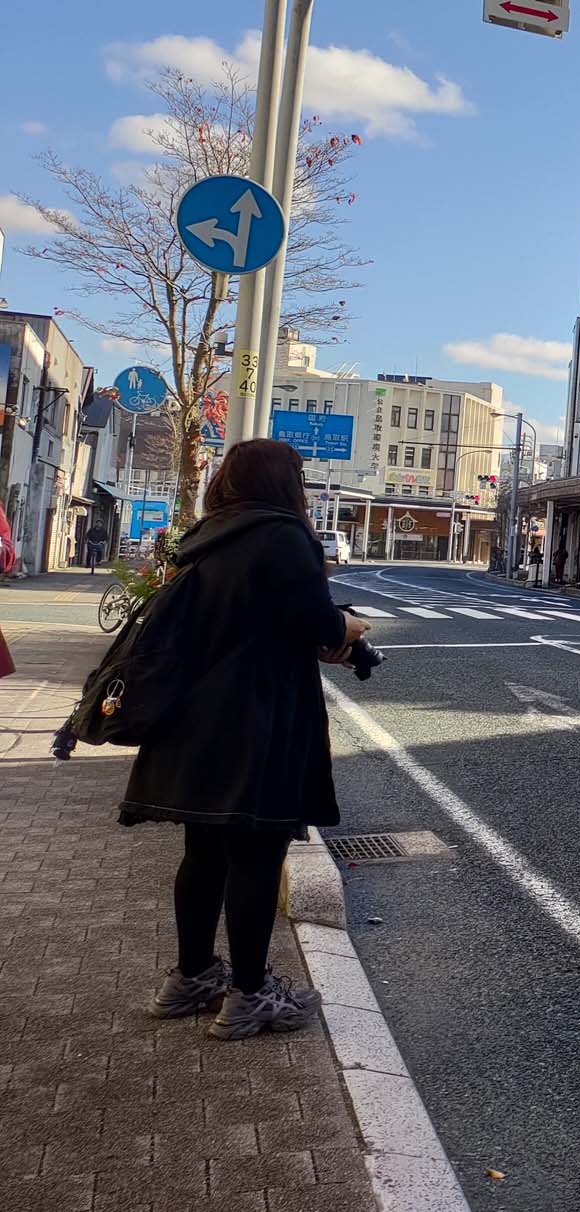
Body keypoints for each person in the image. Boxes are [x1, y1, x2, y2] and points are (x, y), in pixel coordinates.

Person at [121, 439, 370, 1039]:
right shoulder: (284, 535)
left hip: (191, 721)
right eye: (301, 476)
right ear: (284, 482)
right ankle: (251, 994)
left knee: (203, 852)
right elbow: (315, 621)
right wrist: (351, 627)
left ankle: (191, 976)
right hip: (255, 721)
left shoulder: (207, 537)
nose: (305, 486)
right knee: (256, 854)